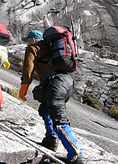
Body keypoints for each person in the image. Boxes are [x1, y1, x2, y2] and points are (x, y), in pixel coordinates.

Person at [19, 30, 84, 164]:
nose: (27, 43)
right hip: (67, 82)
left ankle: (76, 154)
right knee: (45, 108)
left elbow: (28, 69)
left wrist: (24, 87)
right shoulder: (51, 47)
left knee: (59, 120)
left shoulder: (33, 48)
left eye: (28, 40)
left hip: (55, 85)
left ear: (32, 40)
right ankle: (51, 138)